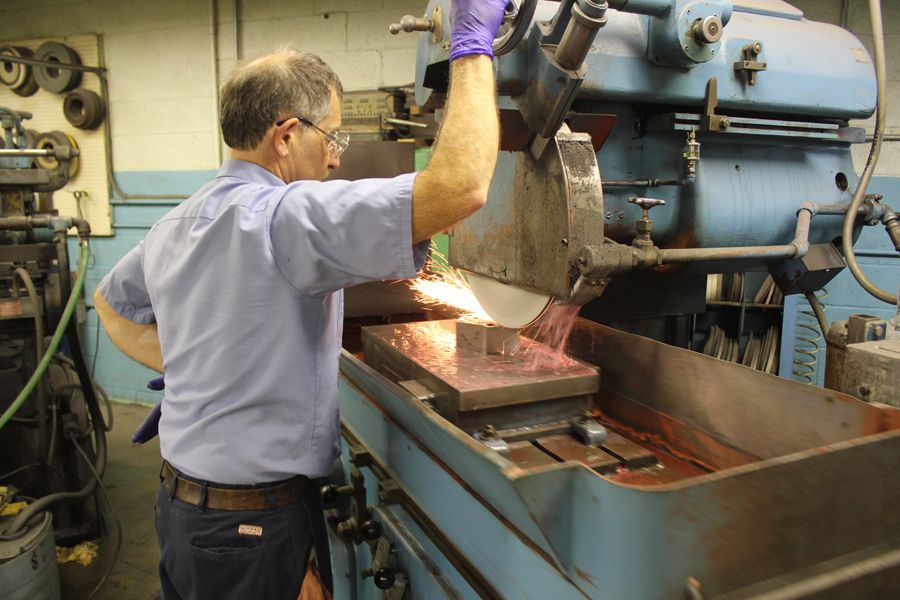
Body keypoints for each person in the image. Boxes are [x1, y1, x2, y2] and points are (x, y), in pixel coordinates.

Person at [93, 1, 508, 599]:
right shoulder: (288, 216)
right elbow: (462, 185)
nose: (337, 155)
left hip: (181, 509)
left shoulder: (175, 223)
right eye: (332, 136)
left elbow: (111, 305)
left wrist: (190, 371)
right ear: (286, 135)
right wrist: (472, 49)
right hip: (251, 528)